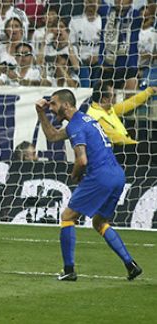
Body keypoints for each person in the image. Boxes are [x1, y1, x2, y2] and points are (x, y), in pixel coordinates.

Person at [34, 89, 142, 281]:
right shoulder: (85, 120)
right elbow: (52, 136)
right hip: (117, 175)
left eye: (53, 104)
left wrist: (75, 175)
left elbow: (82, 160)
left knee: (67, 216)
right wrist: (40, 113)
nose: (51, 108)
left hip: (100, 175)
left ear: (66, 105)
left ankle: (69, 270)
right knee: (99, 222)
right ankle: (130, 265)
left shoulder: (76, 126)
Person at [86, 81, 157, 145]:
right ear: (104, 99)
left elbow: (131, 102)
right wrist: (135, 143)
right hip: (115, 149)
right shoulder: (96, 117)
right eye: (114, 95)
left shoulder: (108, 109)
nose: (115, 98)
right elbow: (116, 138)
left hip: (125, 143)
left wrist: (149, 91)